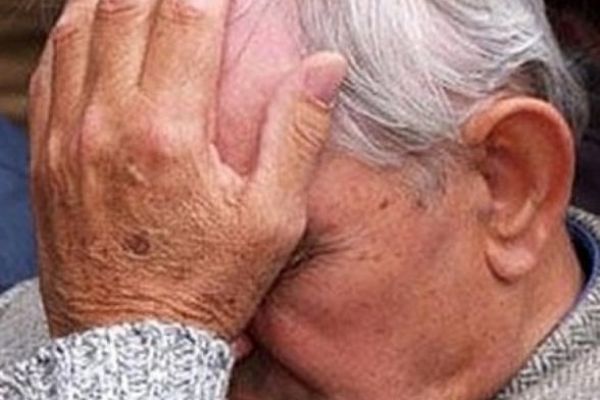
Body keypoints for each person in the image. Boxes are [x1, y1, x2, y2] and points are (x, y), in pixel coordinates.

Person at [1, 1, 599, 400]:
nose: (194, 348)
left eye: (274, 260)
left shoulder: (108, 354)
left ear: (510, 185)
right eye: (124, 233)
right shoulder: (61, 334)